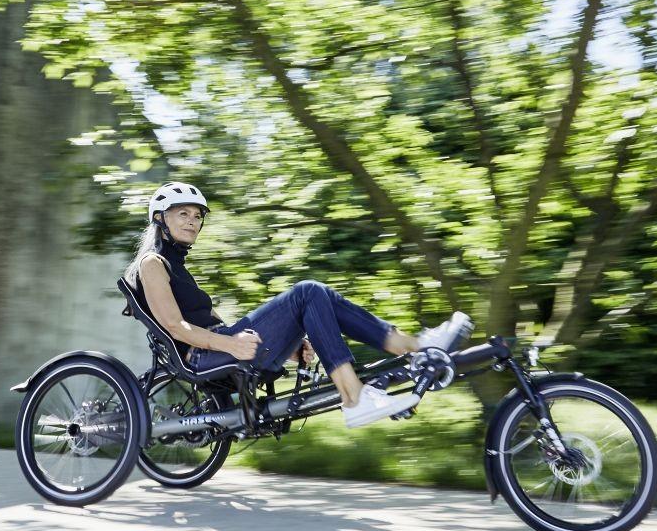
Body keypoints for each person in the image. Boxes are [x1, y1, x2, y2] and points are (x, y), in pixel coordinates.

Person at [127, 182, 472, 428]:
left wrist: (288, 345)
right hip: (204, 356)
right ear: (160, 219)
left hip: (220, 347)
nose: (192, 221)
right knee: (308, 291)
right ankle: (357, 393)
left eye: (198, 215)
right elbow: (175, 326)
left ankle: (415, 347)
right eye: (182, 213)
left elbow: (211, 322)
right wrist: (230, 343)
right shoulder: (153, 264)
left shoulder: (178, 267)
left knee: (317, 300)